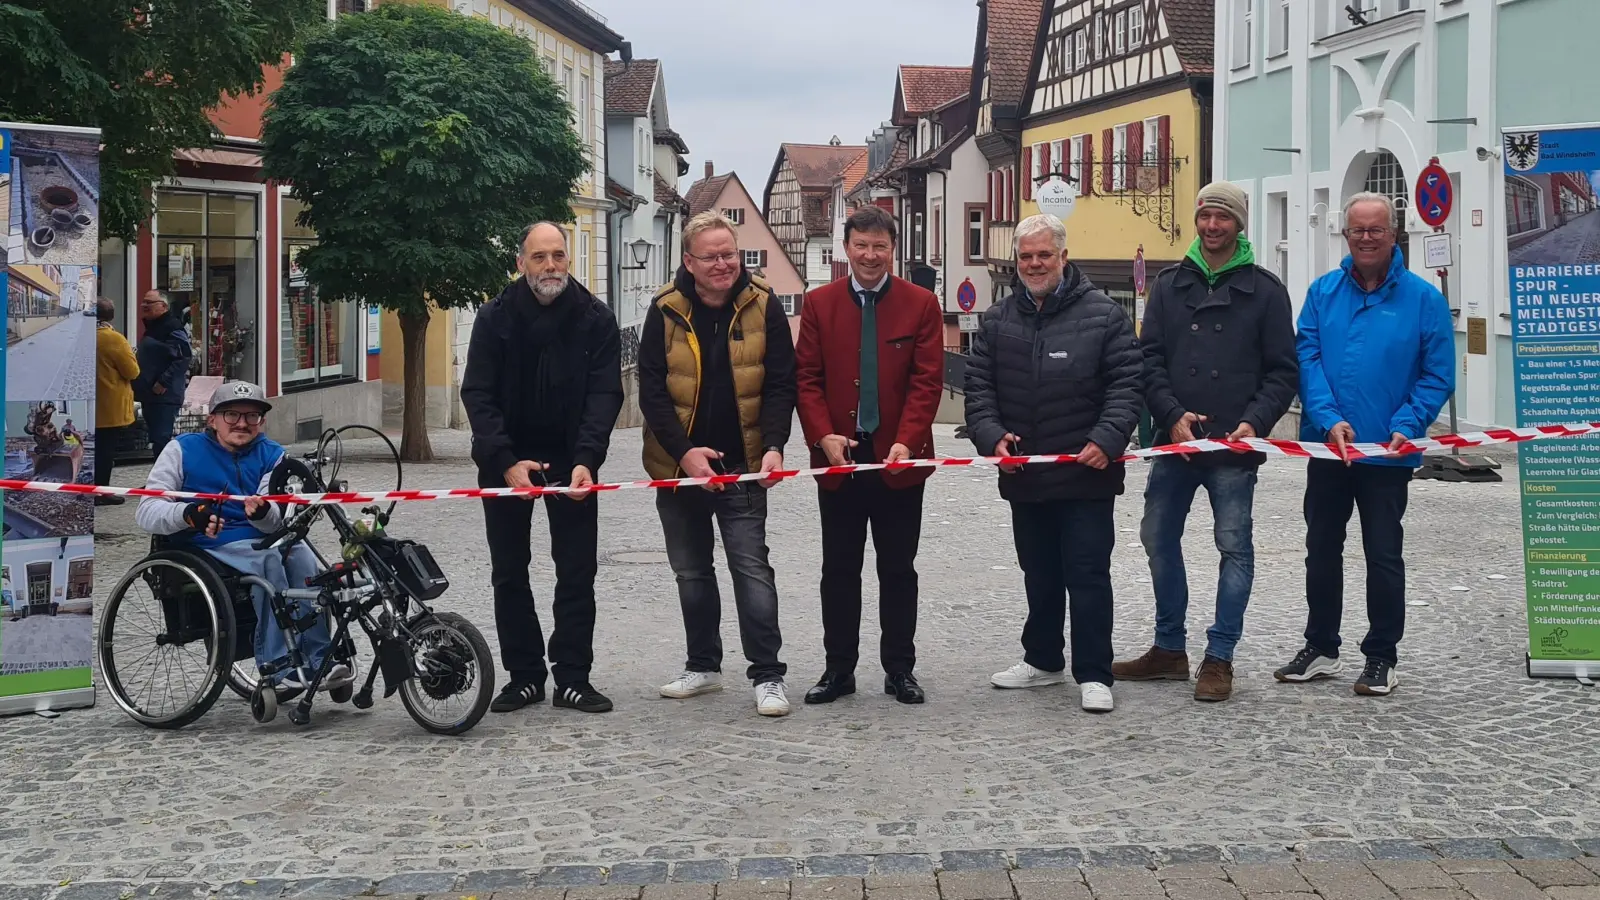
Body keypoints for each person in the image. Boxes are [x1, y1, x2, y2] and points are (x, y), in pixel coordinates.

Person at [1112, 182, 1299, 702]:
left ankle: (1219, 657)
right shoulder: (1169, 285)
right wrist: (1171, 415)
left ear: (1239, 225)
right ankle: (1169, 648)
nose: (1213, 226)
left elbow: (1283, 372)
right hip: (1177, 442)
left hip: (1234, 445)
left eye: (1223, 217)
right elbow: (1148, 360)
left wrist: (1255, 422)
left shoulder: (1266, 291)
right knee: (1156, 536)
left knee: (1234, 547)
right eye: (1205, 216)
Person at [1274, 191, 1453, 697]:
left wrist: (1409, 422)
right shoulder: (1323, 292)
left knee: (1383, 554)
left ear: (1394, 235)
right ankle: (1320, 646)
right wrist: (1328, 418)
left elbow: (1437, 374)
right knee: (1320, 550)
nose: (1367, 238)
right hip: (1329, 448)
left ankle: (1381, 656)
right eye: (1358, 230)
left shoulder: (1424, 299)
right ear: (1346, 234)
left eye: (1377, 229)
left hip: (1387, 453)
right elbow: (1307, 360)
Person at [964, 214, 1142, 714]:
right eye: (1026, 256)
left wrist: (1107, 439)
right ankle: (1042, 660)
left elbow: (1128, 385)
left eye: (1044, 255)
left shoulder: (1105, 315)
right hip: (1026, 475)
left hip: (1087, 475)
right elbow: (978, 389)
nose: (1035, 264)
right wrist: (991, 437)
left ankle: (1095, 673)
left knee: (1087, 575)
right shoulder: (998, 320)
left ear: (1063, 256)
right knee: (1038, 574)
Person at [461, 222, 624, 715]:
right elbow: (478, 394)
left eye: (558, 255)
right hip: (506, 461)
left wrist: (587, 459)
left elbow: (605, 395)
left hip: (573, 460)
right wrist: (505, 461)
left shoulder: (596, 318)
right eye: (539, 257)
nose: (550, 266)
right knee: (509, 571)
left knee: (576, 571)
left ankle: (572, 677)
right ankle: (525, 675)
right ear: (521, 263)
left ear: (568, 259)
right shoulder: (494, 317)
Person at [639, 211, 797, 717]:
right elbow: (652, 392)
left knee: (752, 570)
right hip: (679, 468)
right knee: (691, 572)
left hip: (745, 463)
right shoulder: (665, 308)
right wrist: (685, 454)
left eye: (730, 254)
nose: (724, 264)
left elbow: (781, 383)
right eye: (712, 257)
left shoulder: (763, 303)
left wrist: (774, 445)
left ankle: (768, 675)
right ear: (689, 261)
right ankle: (703, 665)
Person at [794, 206, 944, 706]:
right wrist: (823, 436)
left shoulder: (921, 304)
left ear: (892, 249)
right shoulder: (819, 304)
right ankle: (839, 670)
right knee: (838, 571)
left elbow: (927, 381)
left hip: (899, 461)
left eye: (880, 246)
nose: (870, 255)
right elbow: (806, 379)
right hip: (840, 461)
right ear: (846, 248)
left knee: (898, 570)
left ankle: (900, 669)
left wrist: (907, 439)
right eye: (861, 245)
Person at [134, 381, 352, 691]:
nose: (242, 423)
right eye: (232, 415)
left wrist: (262, 513)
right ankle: (278, 662)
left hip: (259, 536)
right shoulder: (182, 450)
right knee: (268, 562)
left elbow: (274, 520)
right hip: (206, 541)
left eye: (252, 416)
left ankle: (319, 656)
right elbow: (146, 511)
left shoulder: (272, 455)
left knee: (303, 558)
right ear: (213, 420)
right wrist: (187, 514)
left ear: (261, 422)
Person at [134, 289, 192, 458]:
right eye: (144, 302)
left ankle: (167, 471)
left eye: (150, 302)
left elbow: (184, 357)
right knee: (156, 437)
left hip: (165, 395)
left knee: (161, 437)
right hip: (150, 394)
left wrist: (163, 382)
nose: (144, 305)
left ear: (164, 306)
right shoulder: (153, 327)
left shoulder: (172, 327)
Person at [95, 297, 142, 506]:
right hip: (109, 405)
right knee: (105, 452)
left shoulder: (82, 336)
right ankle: (102, 492)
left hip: (86, 404)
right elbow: (132, 371)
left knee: (91, 450)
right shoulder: (112, 338)